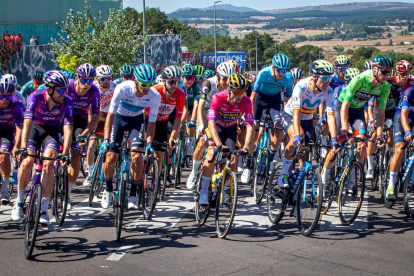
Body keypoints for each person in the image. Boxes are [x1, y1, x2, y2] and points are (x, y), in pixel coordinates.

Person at [12, 71, 73, 225]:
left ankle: (44, 209)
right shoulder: (35, 97)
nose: (63, 93)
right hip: (34, 129)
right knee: (27, 163)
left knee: (49, 164)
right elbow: (27, 123)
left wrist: (65, 153)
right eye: (60, 90)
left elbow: (68, 130)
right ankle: (19, 202)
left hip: (51, 132)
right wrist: (23, 147)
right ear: (49, 89)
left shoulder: (67, 101)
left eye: (65, 89)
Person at [101, 64, 160, 209]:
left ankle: (133, 195)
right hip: (119, 119)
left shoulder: (154, 96)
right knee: (111, 157)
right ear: (135, 81)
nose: (147, 88)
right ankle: (108, 189)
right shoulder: (123, 88)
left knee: (137, 157)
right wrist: (105, 140)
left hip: (136, 121)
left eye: (150, 84)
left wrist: (149, 143)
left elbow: (151, 123)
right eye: (144, 84)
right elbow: (110, 115)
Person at [336, 55, 393, 189]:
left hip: (358, 111)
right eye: (384, 72)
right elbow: (344, 106)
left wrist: (379, 135)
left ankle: (352, 181)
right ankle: (325, 178)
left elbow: (381, 114)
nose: (386, 75)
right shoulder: (359, 79)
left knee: (362, 142)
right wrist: (345, 128)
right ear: (375, 70)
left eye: (389, 72)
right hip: (343, 107)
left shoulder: (385, 87)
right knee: (337, 143)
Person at [199, 73, 254, 205]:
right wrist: (218, 144)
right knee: (212, 152)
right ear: (229, 90)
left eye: (242, 92)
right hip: (214, 127)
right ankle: (203, 192)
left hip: (230, 128)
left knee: (234, 157)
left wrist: (246, 147)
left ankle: (223, 187)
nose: (240, 96)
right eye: (237, 92)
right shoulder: (217, 98)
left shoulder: (246, 101)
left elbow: (250, 125)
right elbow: (211, 123)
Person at [280, 60, 336, 187]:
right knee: (297, 136)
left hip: (307, 118)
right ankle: (283, 174)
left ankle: (299, 177)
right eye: (325, 78)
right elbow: (296, 112)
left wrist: (333, 139)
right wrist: (297, 136)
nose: (328, 82)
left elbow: (331, 116)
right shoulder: (302, 86)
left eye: (330, 78)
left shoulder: (329, 91)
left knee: (306, 149)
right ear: (314, 76)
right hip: (290, 115)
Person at [186, 62, 236, 189]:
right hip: (206, 111)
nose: (227, 82)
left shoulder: (230, 87)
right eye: (225, 79)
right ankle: (195, 170)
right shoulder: (209, 83)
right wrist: (201, 124)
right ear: (218, 76)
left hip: (219, 113)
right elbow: (201, 105)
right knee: (202, 143)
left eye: (229, 79)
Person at [249, 54, 293, 182]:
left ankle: (271, 157)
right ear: (273, 67)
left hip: (274, 101)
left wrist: (287, 117)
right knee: (253, 131)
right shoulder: (263, 73)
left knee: (278, 128)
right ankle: (248, 162)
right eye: (279, 70)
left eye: (285, 70)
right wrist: (251, 118)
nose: (282, 73)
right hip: (260, 99)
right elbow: (253, 97)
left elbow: (288, 99)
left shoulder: (288, 78)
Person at [65, 63, 100, 210]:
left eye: (90, 80)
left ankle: (67, 195)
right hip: (64, 117)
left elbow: (96, 117)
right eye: (84, 80)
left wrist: (85, 134)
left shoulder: (94, 91)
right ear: (77, 77)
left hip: (80, 120)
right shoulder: (67, 86)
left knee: (76, 154)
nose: (87, 84)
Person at [149, 66, 186, 185]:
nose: (174, 85)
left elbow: (177, 119)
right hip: (148, 120)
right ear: (164, 81)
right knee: (141, 150)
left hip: (163, 122)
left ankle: (155, 183)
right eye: (171, 82)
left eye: (176, 82)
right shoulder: (155, 91)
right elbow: (144, 112)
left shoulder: (180, 95)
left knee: (158, 156)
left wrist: (173, 137)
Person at [83, 65, 116, 187]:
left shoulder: (115, 87)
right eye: (103, 79)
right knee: (91, 146)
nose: (106, 81)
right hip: (98, 115)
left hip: (111, 116)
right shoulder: (93, 88)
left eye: (108, 78)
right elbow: (90, 109)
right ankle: (90, 173)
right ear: (97, 79)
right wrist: (90, 124)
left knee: (112, 147)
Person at [366, 73, 402, 179]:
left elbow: (401, 105)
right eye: (387, 81)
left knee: (391, 133)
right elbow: (370, 108)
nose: (389, 84)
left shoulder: (396, 89)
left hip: (390, 112)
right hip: (377, 112)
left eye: (391, 81)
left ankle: (388, 159)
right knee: (373, 136)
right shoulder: (377, 89)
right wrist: (372, 121)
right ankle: (370, 168)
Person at [0, 75, 24, 204]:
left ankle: (4, 191)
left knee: (4, 156)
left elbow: (20, 127)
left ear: (12, 93)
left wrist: (17, 146)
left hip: (7, 132)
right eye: (1, 95)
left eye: (7, 96)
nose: (4, 99)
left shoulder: (17, 103)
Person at [179, 64, 200, 157]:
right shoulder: (178, 85)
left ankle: (189, 145)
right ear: (182, 77)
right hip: (180, 106)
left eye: (193, 78)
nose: (190, 80)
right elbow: (183, 107)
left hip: (191, 106)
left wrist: (192, 120)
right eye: (188, 78)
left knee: (191, 123)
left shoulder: (196, 86)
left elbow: (196, 105)